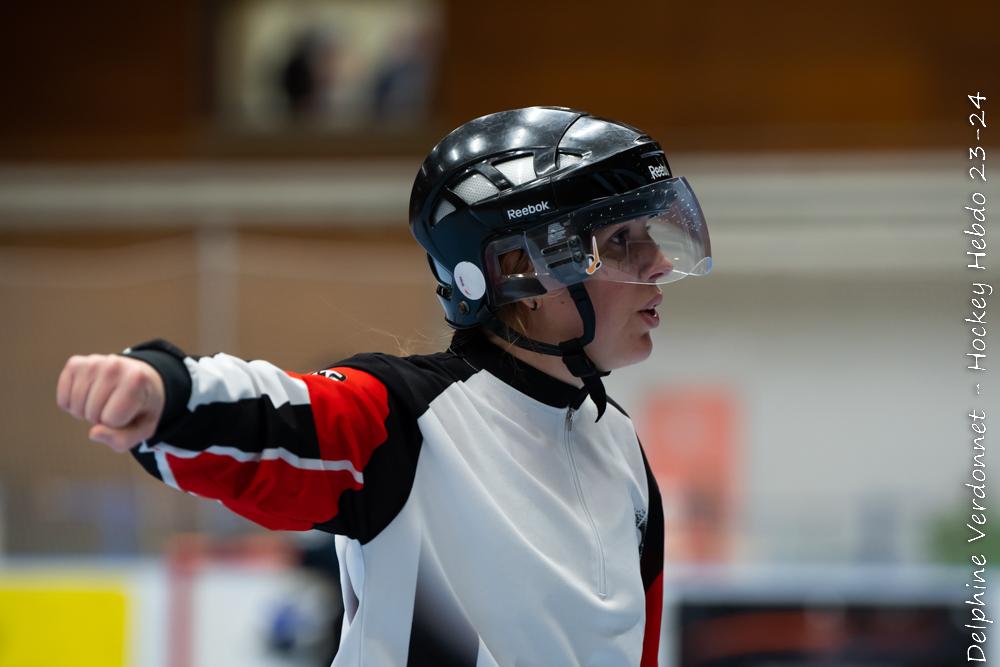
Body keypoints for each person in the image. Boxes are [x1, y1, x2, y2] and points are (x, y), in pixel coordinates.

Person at [56, 106, 712, 666]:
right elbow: (278, 414)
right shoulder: (410, 417)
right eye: (621, 240)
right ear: (520, 271)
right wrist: (165, 390)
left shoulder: (619, 444)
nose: (657, 262)